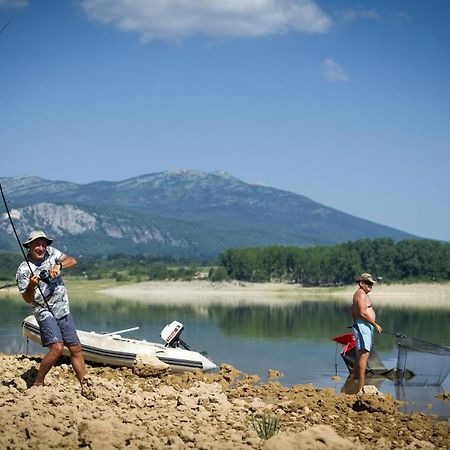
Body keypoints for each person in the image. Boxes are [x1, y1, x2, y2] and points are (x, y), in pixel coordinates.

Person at [16, 230, 88, 387]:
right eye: (37, 245)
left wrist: (59, 265)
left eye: (43, 244)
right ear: (29, 247)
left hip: (62, 308)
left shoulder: (52, 253)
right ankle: (38, 382)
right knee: (57, 347)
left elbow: (72, 260)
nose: (41, 248)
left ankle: (85, 382)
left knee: (76, 348)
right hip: (43, 311)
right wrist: (32, 285)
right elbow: (28, 299)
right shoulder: (23, 270)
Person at [350, 273, 382, 388]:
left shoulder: (360, 294)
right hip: (363, 326)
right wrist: (375, 324)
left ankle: (355, 380)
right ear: (361, 283)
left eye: (371, 284)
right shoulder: (361, 294)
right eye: (368, 283)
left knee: (361, 354)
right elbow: (363, 313)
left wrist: (355, 323)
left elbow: (352, 309)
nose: (370, 286)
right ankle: (361, 384)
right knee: (364, 354)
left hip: (363, 326)